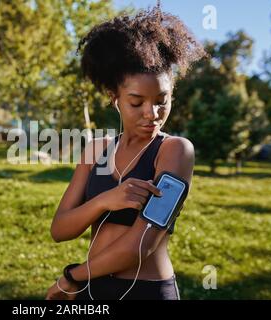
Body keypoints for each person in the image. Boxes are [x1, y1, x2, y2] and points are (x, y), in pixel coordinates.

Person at [45, 3, 206, 300]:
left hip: (146, 292)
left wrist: (72, 277)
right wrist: (107, 200)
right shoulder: (97, 149)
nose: (152, 113)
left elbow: (141, 245)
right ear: (114, 97)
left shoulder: (174, 151)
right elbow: (60, 229)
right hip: (91, 290)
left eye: (162, 100)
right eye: (136, 102)